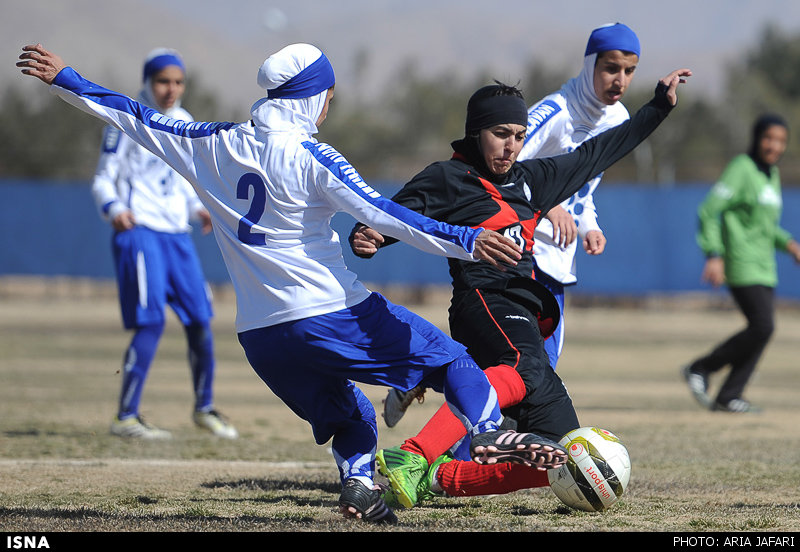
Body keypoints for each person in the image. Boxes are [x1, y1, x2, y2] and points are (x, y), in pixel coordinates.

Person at [18, 42, 570, 525]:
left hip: (261, 337)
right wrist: (468, 240)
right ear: (310, 97)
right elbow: (385, 216)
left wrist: (65, 78)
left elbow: (128, 115)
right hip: (333, 312)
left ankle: (357, 485)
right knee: (454, 364)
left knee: (351, 413)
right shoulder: (312, 155)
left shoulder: (209, 142)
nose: (330, 105)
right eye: (327, 94)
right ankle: (488, 430)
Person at [349, 67, 689, 508]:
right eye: (500, 133)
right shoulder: (447, 179)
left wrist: (658, 108)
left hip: (523, 313)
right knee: (522, 365)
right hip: (483, 302)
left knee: (562, 453)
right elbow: (392, 218)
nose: (511, 145)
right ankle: (412, 456)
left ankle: (439, 478)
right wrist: (368, 236)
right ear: (475, 133)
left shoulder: (533, 180)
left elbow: (600, 152)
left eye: (519, 134)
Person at [90, 48, 237, 441]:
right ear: (147, 82)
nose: (170, 89)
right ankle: (126, 416)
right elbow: (103, 179)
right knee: (151, 321)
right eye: (162, 81)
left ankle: (204, 408)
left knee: (200, 322)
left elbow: (183, 181)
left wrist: (198, 209)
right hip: (141, 233)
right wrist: (114, 208)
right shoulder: (125, 119)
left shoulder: (184, 122)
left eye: (177, 82)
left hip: (177, 237)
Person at [520, 22, 639, 371]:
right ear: (590, 65)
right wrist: (548, 205)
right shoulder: (554, 113)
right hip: (519, 250)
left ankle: (434, 371)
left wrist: (589, 225)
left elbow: (583, 191)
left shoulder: (619, 119)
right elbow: (503, 167)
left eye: (629, 71)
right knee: (523, 364)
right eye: (610, 68)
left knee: (541, 365)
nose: (620, 80)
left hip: (558, 254)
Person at [683, 113, 800, 413]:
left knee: (762, 330)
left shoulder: (770, 175)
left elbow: (764, 226)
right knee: (763, 325)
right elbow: (709, 210)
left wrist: (789, 244)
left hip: (764, 266)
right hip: (741, 261)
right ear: (757, 138)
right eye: (769, 138)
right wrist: (713, 254)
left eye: (781, 141)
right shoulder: (742, 169)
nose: (774, 146)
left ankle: (729, 396)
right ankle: (700, 368)